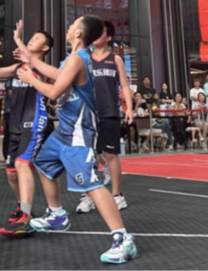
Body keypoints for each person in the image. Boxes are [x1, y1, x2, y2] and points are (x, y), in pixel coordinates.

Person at [17, 15, 138, 264]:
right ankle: (57, 215)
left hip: (78, 131)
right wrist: (32, 60)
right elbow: (58, 73)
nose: (70, 26)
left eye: (74, 24)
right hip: (64, 130)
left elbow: (53, 91)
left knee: (90, 184)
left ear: (79, 34)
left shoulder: (78, 59)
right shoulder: (73, 59)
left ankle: (123, 239)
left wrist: (31, 79)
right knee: (43, 163)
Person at [0, 20, 55, 237]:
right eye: (30, 38)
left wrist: (17, 39)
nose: (31, 40)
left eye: (36, 39)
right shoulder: (18, 68)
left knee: (22, 163)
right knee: (11, 174)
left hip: (33, 121)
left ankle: (26, 216)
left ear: (45, 48)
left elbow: (40, 72)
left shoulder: (41, 68)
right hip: (14, 123)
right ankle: (24, 207)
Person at [76, 20, 134, 215]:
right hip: (87, 113)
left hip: (109, 112)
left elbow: (124, 85)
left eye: (99, 33)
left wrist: (129, 108)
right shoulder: (85, 58)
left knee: (111, 154)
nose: (95, 36)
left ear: (108, 37)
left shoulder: (115, 59)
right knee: (87, 155)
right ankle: (88, 196)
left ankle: (117, 196)